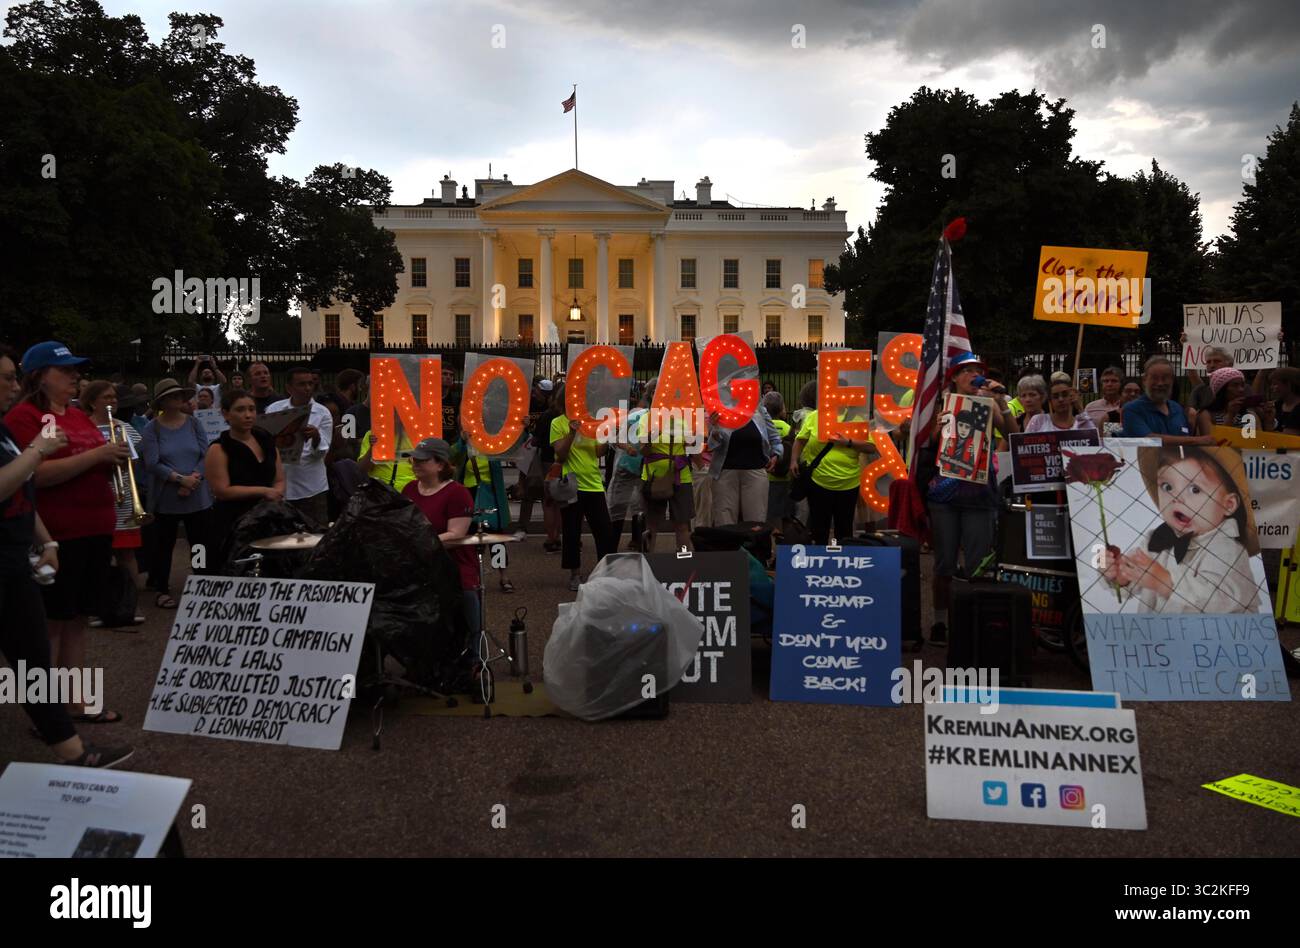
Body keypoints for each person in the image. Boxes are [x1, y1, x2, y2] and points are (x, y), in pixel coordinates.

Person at [0, 344, 132, 766]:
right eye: (65, 370)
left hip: (93, 528)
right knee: (45, 630)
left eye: (76, 370)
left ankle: (73, 702)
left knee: (76, 620)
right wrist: (95, 455)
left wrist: (111, 458)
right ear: (40, 376)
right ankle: (51, 719)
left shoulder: (76, 414)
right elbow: (32, 476)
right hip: (60, 530)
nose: (75, 376)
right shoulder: (22, 419)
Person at [920, 351, 1019, 645]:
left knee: (976, 565)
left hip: (979, 494)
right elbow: (932, 443)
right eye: (966, 371)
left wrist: (1001, 401)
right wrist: (939, 426)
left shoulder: (989, 404)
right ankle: (940, 622)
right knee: (944, 563)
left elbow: (1013, 434)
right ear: (954, 377)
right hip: (945, 494)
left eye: (977, 370)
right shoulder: (942, 404)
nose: (973, 375)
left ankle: (972, 622)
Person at [1101, 446, 1263, 614]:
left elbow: (1220, 601)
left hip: (1213, 638)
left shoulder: (1228, 549)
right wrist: (1120, 575)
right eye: (1167, 487)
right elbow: (1138, 574)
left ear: (1228, 505)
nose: (1177, 498)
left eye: (1195, 489)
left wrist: (1165, 582)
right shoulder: (1157, 540)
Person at [141, 379, 213, 609]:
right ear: (162, 401)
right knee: (164, 545)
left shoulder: (193, 424)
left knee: (199, 543)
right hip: (166, 497)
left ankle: (202, 580)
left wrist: (194, 478)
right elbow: (152, 462)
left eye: (179, 395)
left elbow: (205, 454)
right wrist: (179, 479)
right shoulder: (152, 428)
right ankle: (161, 587)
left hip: (197, 494)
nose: (177, 399)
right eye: (172, 396)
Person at [81, 380, 146, 628]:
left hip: (124, 499)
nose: (112, 401)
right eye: (106, 397)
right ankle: (98, 606)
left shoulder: (124, 427)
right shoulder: (84, 427)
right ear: (91, 401)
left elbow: (134, 462)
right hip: (94, 496)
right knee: (98, 556)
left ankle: (130, 604)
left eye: (114, 397)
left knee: (127, 554)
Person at [403, 437, 481, 634]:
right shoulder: (409, 489)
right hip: (419, 562)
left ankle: (473, 649)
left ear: (440, 464)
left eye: (422, 460)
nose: (416, 464)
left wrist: (419, 542)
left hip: (453, 565)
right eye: (415, 460)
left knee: (464, 594)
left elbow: (455, 535)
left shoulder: (458, 492)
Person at [205, 388, 285, 558]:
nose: (248, 415)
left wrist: (276, 492)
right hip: (233, 521)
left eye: (251, 409)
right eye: (240, 410)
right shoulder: (218, 448)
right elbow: (222, 491)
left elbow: (279, 478)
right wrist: (264, 491)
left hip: (268, 517)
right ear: (226, 414)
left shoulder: (266, 440)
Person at [789, 389, 871, 546]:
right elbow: (800, 440)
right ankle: (821, 564)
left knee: (844, 530)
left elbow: (870, 446)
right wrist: (793, 460)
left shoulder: (856, 419)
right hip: (819, 482)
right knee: (819, 528)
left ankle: (841, 565)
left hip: (848, 483)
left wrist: (847, 442)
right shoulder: (815, 416)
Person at [551, 400, 615, 591]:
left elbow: (598, 452)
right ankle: (575, 574)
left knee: (604, 531)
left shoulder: (591, 422)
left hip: (594, 484)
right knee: (572, 532)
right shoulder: (558, 422)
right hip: (571, 485)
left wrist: (606, 436)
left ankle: (606, 572)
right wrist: (572, 432)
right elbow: (560, 455)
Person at [633, 379, 695, 557]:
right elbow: (643, 451)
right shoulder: (646, 419)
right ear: (651, 395)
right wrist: (653, 436)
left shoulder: (682, 417)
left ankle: (683, 560)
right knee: (651, 524)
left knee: (682, 525)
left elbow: (693, 445)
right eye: (658, 392)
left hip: (681, 477)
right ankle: (649, 561)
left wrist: (693, 440)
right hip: (654, 478)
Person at [265, 366, 333, 527]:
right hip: (281, 486)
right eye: (302, 384)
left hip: (312, 487)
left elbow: (322, 453)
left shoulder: (322, 413)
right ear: (289, 388)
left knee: (315, 535)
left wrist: (316, 437)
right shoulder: (274, 409)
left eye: (310, 384)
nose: (308, 388)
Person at [706, 397, 783, 526]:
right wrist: (714, 430)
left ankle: (753, 546)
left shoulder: (760, 411)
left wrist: (776, 454)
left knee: (756, 520)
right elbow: (712, 446)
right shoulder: (720, 411)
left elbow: (775, 438)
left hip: (755, 471)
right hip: (725, 472)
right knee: (724, 520)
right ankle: (729, 546)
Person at [1121, 356, 1214, 446]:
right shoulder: (1131, 410)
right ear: (1144, 380)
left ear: (1172, 380)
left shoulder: (1177, 408)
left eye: (1165, 378)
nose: (1160, 383)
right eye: (1155, 378)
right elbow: (1148, 440)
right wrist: (1196, 441)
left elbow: (1186, 439)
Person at [606, 384, 647, 551]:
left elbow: (614, 437)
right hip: (637, 464)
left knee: (623, 506)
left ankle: (614, 548)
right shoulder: (645, 413)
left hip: (628, 464)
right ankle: (637, 545)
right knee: (637, 507)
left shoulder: (631, 414)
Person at [533, 383, 565, 554]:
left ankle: (550, 538)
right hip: (566, 461)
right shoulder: (567, 417)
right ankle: (559, 536)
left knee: (549, 501)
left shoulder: (547, 416)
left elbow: (535, 440)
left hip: (547, 460)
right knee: (562, 501)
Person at [763, 391, 796, 536]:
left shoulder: (763, 426)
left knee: (767, 515)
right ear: (782, 408)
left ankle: (769, 544)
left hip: (766, 477)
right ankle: (783, 543)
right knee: (784, 514)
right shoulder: (788, 428)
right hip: (784, 478)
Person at [1025, 379, 1098, 433]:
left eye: (1065, 395)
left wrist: (1080, 409)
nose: (1060, 399)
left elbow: (1094, 440)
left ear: (1071, 397)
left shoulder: (1081, 422)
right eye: (1056, 396)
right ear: (1050, 401)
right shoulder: (1039, 420)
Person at [1194, 367, 1250, 436]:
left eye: (1242, 385)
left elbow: (1259, 442)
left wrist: (1267, 419)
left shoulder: (1248, 413)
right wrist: (1230, 416)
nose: (1241, 389)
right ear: (1221, 389)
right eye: (1235, 385)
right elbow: (1211, 442)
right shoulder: (1206, 414)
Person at [1083, 365, 1125, 429]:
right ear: (1101, 384)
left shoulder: (1127, 407)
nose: (1109, 384)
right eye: (1106, 381)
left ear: (1121, 384)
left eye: (1114, 381)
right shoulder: (1090, 408)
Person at [1266, 366, 1300, 435]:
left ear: (1288, 384)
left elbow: (1286, 440)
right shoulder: (1276, 405)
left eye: (1275, 384)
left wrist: (1269, 425)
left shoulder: (1298, 410)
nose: (1271, 388)